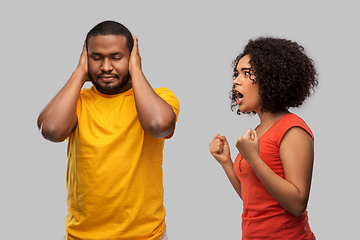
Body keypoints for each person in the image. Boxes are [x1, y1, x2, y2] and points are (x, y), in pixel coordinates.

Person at [37, 20, 179, 240]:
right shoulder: (77, 101)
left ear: (132, 57)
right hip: (82, 236)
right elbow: (51, 130)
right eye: (96, 58)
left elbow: (159, 125)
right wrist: (79, 73)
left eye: (116, 57)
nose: (105, 67)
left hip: (145, 236)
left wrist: (136, 72)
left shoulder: (159, 97)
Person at [209, 37, 318, 239]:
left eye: (246, 73)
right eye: (236, 73)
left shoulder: (292, 129)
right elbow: (252, 197)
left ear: (270, 78)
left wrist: (253, 158)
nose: (236, 80)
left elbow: (297, 204)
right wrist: (226, 163)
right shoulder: (258, 132)